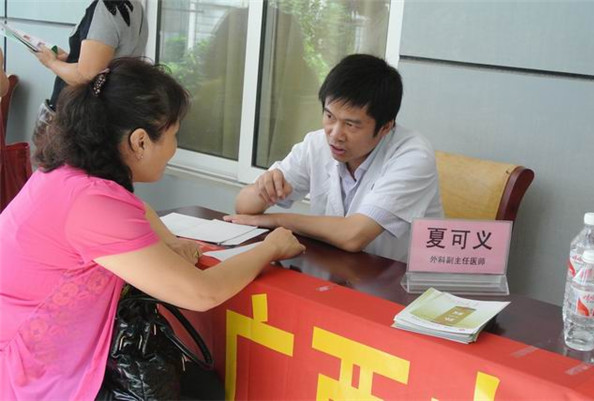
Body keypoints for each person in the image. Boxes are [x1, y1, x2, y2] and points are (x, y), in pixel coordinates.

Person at [0, 57, 305, 400]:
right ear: (140, 141)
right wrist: (271, 248)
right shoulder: (93, 203)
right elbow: (201, 293)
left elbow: (137, 211)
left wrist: (170, 243)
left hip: (41, 357)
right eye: (174, 135)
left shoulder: (69, 175)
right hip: (28, 378)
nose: (174, 148)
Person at [226, 54, 443, 262]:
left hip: (398, 279)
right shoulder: (317, 143)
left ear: (386, 127)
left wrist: (276, 220)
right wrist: (263, 189)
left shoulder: (412, 156)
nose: (335, 134)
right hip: (337, 268)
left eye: (351, 124)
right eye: (329, 116)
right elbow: (244, 207)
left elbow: (353, 235)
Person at [33, 0, 148, 144]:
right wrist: (70, 58)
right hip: (108, 113)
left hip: (80, 119)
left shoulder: (106, 9)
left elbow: (86, 75)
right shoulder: (135, 6)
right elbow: (104, 62)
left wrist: (51, 62)